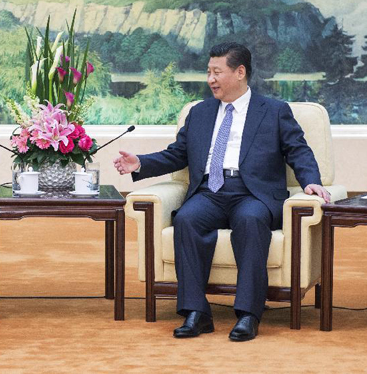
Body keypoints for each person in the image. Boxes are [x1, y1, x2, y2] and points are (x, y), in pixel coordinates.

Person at [113, 42, 330, 341]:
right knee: (187, 220)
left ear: (240, 72)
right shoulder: (199, 112)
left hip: (252, 193)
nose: (210, 79)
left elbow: (298, 151)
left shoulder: (274, 111)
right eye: (208, 72)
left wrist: (310, 181)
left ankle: (248, 315)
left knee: (251, 221)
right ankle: (196, 313)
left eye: (217, 72)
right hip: (209, 191)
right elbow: (178, 154)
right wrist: (141, 163)